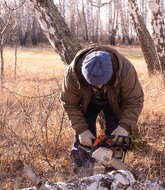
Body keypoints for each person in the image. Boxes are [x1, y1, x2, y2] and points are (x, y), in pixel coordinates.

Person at [60, 45, 144, 175]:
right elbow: (69, 103)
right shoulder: (73, 73)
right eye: (94, 82)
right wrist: (82, 130)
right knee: (83, 138)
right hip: (87, 101)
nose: (99, 85)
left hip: (115, 100)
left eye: (102, 81)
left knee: (116, 138)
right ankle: (83, 170)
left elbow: (134, 100)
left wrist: (124, 127)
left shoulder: (125, 70)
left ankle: (114, 175)